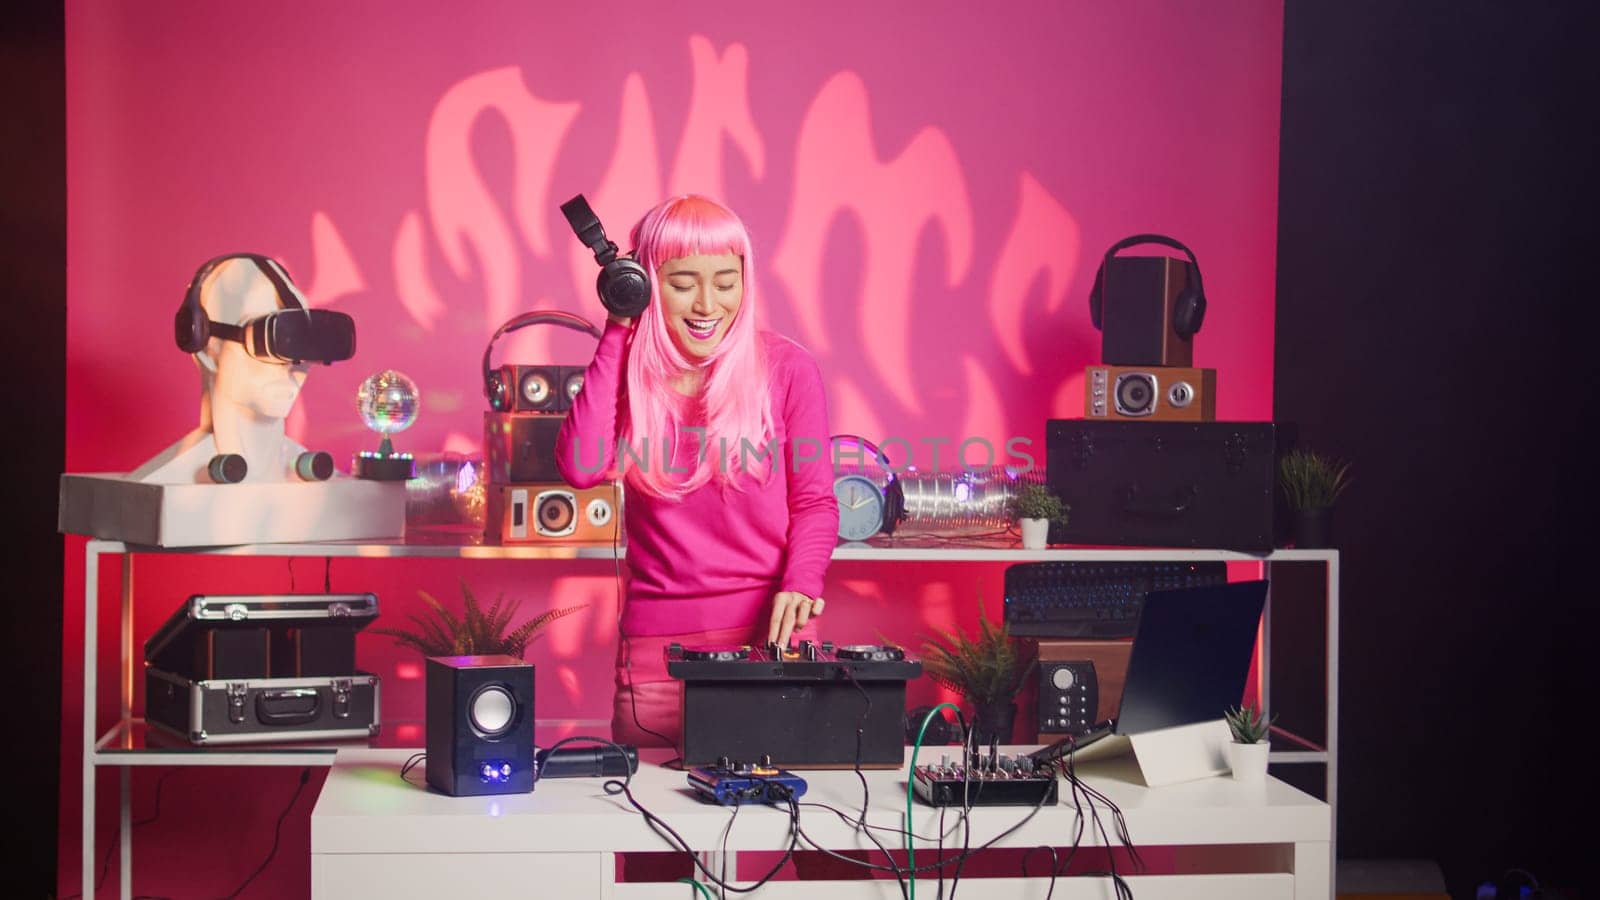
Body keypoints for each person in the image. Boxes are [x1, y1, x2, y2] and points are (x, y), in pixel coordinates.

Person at [554, 194, 840, 751]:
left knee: (770, 825)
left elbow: (815, 504)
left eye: (726, 281)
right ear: (641, 282)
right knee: (653, 825)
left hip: (773, 642)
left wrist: (801, 585)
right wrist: (618, 327)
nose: (708, 303)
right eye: (683, 282)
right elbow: (581, 467)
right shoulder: (628, 373)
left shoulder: (788, 370)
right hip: (659, 655)